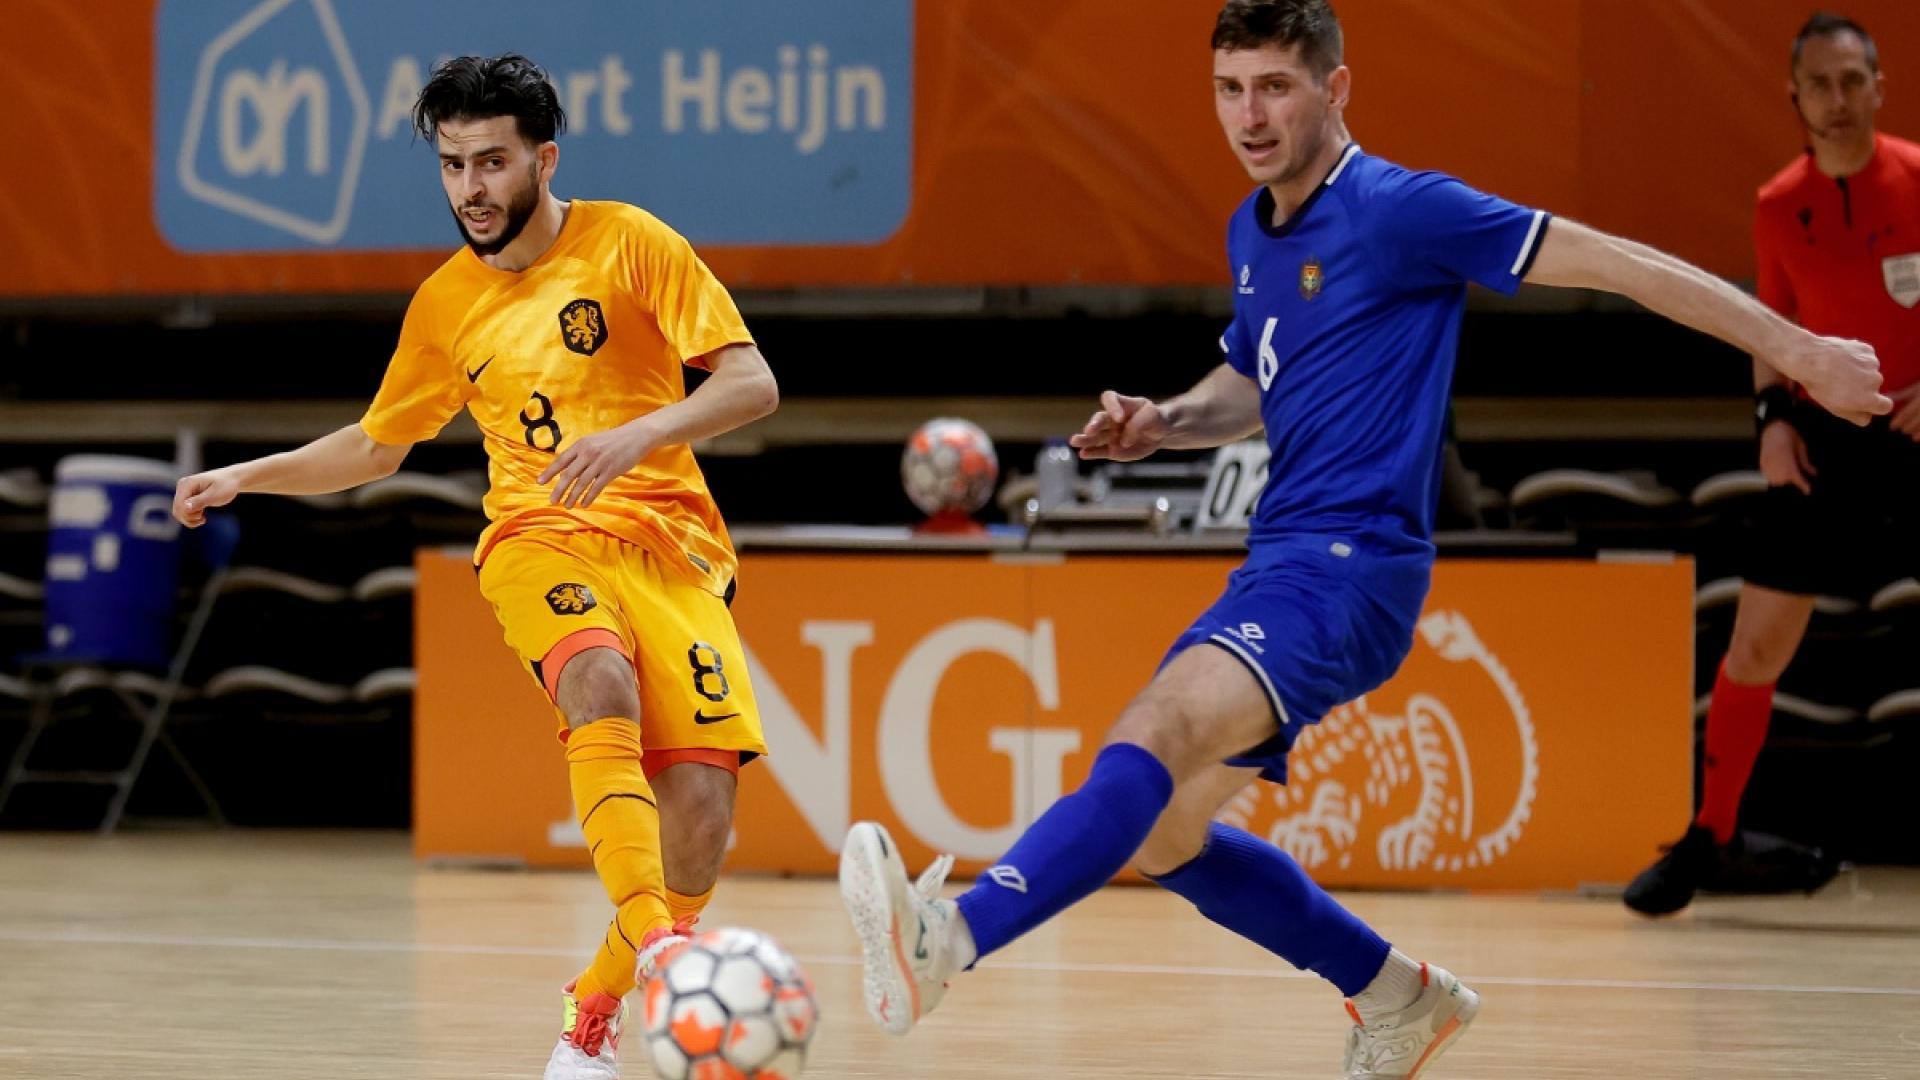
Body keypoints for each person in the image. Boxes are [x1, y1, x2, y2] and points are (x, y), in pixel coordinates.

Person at [835, 2, 1890, 1077]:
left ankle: (952, 939)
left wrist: (1797, 350)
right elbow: (1252, 378)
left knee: (1149, 733)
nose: (1250, 114)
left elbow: (1616, 262)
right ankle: (1399, 997)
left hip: (1350, 568)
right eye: (1230, 88)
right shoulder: (1256, 228)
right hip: (1287, 558)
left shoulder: (1400, 209)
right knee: (1163, 838)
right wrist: (1166, 420)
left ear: (1335, 91)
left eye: (1276, 87)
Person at [169, 55, 778, 1080]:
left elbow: (752, 383)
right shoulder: (444, 306)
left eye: (491, 162)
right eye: (453, 166)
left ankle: (595, 1002)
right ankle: (662, 949)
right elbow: (376, 446)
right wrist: (249, 475)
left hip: (674, 549)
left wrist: (640, 436)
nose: (471, 189)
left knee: (703, 826)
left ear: (544, 158)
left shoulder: (632, 243)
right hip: (537, 538)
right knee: (596, 677)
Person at [1625, 13, 1920, 917]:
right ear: (1794, 95)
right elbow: (1773, 328)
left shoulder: (1916, 178)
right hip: (1823, 443)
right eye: (1820, 83)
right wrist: (1771, 422)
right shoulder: (1773, 203)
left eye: (1852, 80)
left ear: (1878, 85)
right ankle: (1712, 837)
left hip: (1916, 429)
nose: (1838, 98)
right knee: (1754, 645)